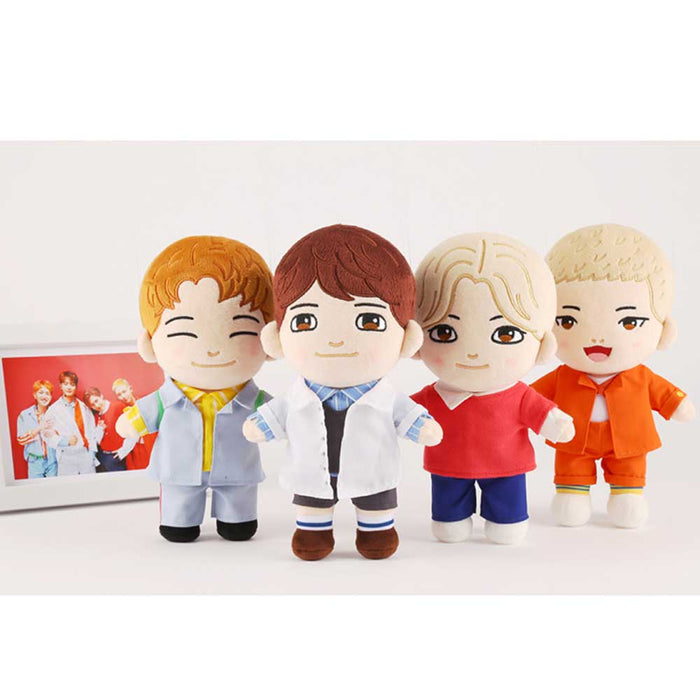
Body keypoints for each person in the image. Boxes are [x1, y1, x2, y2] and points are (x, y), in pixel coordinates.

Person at [243, 224, 442, 561]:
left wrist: (423, 427)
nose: (335, 340)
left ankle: (375, 531)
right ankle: (314, 531)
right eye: (305, 321)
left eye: (369, 321)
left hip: (373, 470)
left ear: (406, 339)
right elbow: (272, 417)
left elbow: (409, 416)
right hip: (313, 472)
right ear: (277, 338)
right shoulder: (295, 397)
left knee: (376, 501)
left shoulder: (386, 397)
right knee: (313, 501)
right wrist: (258, 426)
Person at [410, 233, 575, 545]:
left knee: (507, 521)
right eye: (444, 332)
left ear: (542, 344)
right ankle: (452, 520)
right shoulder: (434, 396)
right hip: (448, 466)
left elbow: (542, 414)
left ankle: (504, 521)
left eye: (506, 334)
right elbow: (402, 414)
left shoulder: (518, 395)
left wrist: (556, 423)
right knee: (449, 521)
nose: (473, 352)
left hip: (505, 466)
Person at [532, 223, 695, 528]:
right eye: (567, 321)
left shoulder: (642, 377)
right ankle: (572, 493)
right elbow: (528, 401)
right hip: (573, 441)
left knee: (628, 477)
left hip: (629, 441)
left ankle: (626, 494)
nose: (597, 337)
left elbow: (668, 398)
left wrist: (678, 406)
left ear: (663, 331)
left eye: (629, 322)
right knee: (571, 485)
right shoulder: (561, 377)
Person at [115, 236, 274, 544]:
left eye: (239, 330)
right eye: (185, 331)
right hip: (178, 470)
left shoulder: (253, 399)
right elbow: (141, 416)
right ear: (150, 344)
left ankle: (236, 520)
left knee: (239, 522)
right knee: (178, 522)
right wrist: (132, 422)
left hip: (238, 471)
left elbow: (280, 416)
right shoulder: (166, 400)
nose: (212, 349)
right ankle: (180, 521)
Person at [44, 371, 98, 476]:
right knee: (69, 485)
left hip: (85, 453)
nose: (69, 387)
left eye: (72, 384)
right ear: (61, 386)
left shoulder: (83, 407)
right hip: (66, 455)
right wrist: (65, 441)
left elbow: (92, 431)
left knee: (89, 484)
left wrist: (92, 453)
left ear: (76, 387)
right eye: (66, 384)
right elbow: (46, 433)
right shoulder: (53, 409)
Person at [84, 387, 136, 472]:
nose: (96, 406)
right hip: (105, 457)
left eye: (96, 401)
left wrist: (123, 451)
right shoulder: (96, 416)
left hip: (120, 456)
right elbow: (97, 441)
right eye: (92, 405)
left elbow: (133, 430)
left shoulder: (118, 407)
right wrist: (100, 429)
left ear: (101, 396)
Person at [16, 379, 58, 478]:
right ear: (35, 395)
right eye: (41, 392)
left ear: (50, 397)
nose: (44, 396)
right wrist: (39, 427)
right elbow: (21, 440)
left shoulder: (56, 414)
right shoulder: (25, 415)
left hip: (53, 461)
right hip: (35, 462)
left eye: (47, 393)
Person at [111, 378, 156, 470]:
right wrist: (123, 450)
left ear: (130, 389)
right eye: (119, 395)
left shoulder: (144, 404)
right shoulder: (121, 413)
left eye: (124, 391)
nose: (123, 396)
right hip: (136, 449)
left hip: (151, 444)